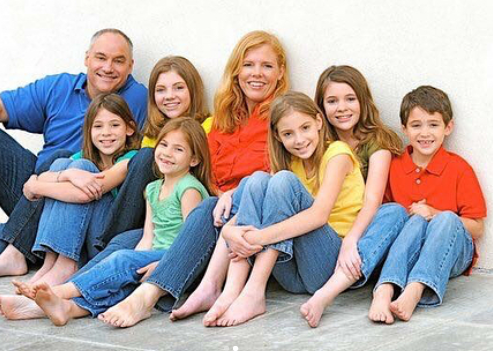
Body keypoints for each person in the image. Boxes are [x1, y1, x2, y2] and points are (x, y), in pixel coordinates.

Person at [90, 30, 289, 328]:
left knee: (203, 209)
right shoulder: (221, 121)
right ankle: (70, 298)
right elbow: (206, 172)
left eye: (267, 66)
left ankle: (146, 297)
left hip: (243, 219)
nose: (256, 74)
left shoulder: (282, 118)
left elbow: (278, 179)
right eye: (248, 65)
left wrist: (226, 199)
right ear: (236, 71)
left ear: (280, 72)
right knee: (126, 242)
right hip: (212, 209)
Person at [11, 117, 213, 327]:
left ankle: (59, 291)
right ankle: (67, 308)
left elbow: (190, 240)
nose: (167, 153)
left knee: (122, 259)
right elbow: (147, 236)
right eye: (163, 145)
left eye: (178, 149)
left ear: (194, 160)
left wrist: (163, 265)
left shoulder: (188, 188)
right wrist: (140, 258)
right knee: (122, 278)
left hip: (174, 256)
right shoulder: (152, 189)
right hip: (155, 252)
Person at [192, 91, 364, 327]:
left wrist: (257, 237)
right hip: (290, 274)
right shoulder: (289, 163)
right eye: (288, 134)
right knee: (257, 180)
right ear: (277, 136)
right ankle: (233, 290)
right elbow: (255, 204)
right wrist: (230, 232)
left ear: (319, 122)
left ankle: (254, 290)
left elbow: (318, 215)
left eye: (305, 128)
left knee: (282, 180)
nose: (299, 139)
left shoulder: (337, 153)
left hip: (328, 266)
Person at [0, 28, 148, 276]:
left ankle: (16, 249)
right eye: (101, 57)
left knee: (62, 159)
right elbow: (4, 107)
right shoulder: (58, 87)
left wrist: (39, 184)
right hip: (39, 195)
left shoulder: (143, 99)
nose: (108, 67)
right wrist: (52, 178)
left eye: (118, 60)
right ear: (87, 58)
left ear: (130, 66)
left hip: (91, 203)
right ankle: (24, 248)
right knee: (57, 161)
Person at [298, 65, 407, 327]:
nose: (342, 108)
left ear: (363, 100)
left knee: (393, 212)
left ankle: (327, 294)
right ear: (321, 108)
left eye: (350, 99)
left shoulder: (377, 140)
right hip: (320, 233)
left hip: (357, 238)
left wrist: (351, 241)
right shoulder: (314, 140)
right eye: (332, 101)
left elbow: (373, 199)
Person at [370, 85, 486, 322]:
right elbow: (385, 220)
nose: (425, 133)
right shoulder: (395, 166)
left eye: (433, 124)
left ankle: (414, 291)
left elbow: (477, 227)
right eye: (416, 125)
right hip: (408, 251)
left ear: (448, 127)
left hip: (450, 253)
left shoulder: (458, 168)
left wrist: (435, 213)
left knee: (446, 218)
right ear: (404, 128)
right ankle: (385, 290)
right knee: (406, 218)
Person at [21, 93, 141, 287]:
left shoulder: (130, 158)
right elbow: (45, 178)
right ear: (89, 130)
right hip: (79, 237)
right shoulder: (82, 156)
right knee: (62, 163)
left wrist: (36, 185)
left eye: (115, 125)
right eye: (98, 126)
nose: (106, 132)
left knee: (81, 168)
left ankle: (66, 265)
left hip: (102, 238)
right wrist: (67, 175)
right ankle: (50, 263)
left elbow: (83, 194)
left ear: (129, 128)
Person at [93, 55, 209, 249]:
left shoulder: (207, 128)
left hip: (176, 218)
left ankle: (107, 244)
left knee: (146, 156)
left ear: (193, 90)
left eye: (178, 88)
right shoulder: (150, 135)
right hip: (148, 215)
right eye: (161, 90)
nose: (169, 96)